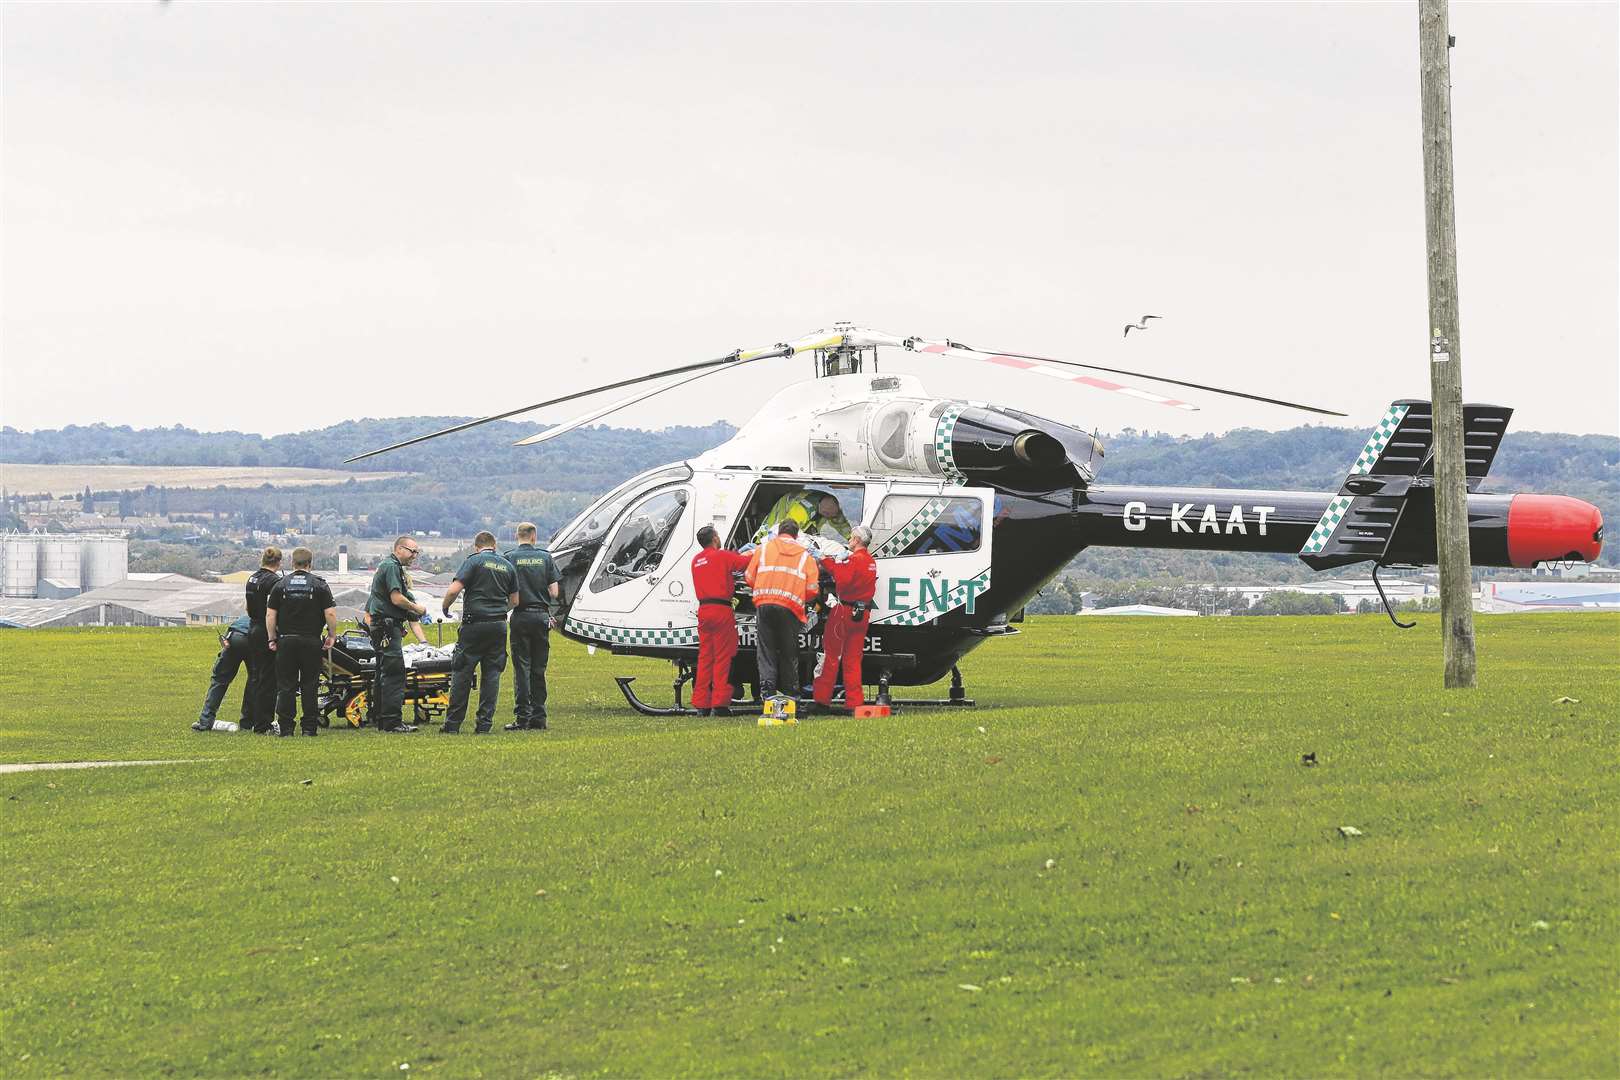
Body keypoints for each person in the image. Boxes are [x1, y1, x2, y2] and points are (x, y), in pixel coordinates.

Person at [439, 531, 518, 734]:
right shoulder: (507, 565)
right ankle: (484, 725)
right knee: (492, 675)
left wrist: (446, 608)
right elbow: (515, 601)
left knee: (462, 672)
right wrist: (499, 612)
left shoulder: (473, 561)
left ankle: (452, 724)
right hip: (498, 626)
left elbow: (454, 589)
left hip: (474, 625)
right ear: (495, 545)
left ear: (477, 546)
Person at [744, 518, 820, 712]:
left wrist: (764, 588)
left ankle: (768, 694)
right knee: (789, 653)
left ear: (779, 532)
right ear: (796, 535)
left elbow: (749, 577)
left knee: (766, 651)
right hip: (790, 607)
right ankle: (791, 697)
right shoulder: (805, 556)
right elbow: (812, 589)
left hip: (765, 604)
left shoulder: (763, 548)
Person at [266, 547, 337, 737]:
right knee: (310, 684)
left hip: (286, 641)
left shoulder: (280, 585)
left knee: (286, 685)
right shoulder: (320, 585)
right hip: (311, 641)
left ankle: (286, 727)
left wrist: (272, 638)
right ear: (310, 564)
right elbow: (330, 613)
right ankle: (309, 727)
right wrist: (331, 634)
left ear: (292, 563)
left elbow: (270, 615)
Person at [367, 535, 431, 733]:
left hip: (382, 625)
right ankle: (392, 722)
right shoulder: (392, 567)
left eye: (417, 552)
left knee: (382, 672)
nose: (415, 556)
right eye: (412, 551)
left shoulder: (389, 567)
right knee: (394, 674)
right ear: (399, 549)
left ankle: (378, 716)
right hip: (387, 627)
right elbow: (396, 598)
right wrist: (416, 609)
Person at [813, 525, 878, 711]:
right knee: (853, 659)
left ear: (857, 540)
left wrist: (824, 559)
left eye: (851, 538)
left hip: (844, 611)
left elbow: (842, 579)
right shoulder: (870, 561)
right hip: (863, 613)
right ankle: (854, 702)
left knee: (830, 657)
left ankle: (822, 699)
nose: (849, 540)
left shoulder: (854, 560)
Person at [503, 522, 560, 731]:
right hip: (541, 616)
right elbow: (554, 592)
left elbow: (505, 590)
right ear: (534, 536)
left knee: (522, 668)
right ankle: (539, 717)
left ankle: (522, 718)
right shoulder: (545, 558)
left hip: (520, 616)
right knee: (538, 668)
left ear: (516, 535)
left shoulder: (509, 557)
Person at [690, 525, 751, 717]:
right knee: (723, 657)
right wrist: (758, 551)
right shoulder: (722, 556)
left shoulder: (696, 560)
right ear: (715, 538)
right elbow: (744, 563)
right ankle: (720, 703)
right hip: (721, 610)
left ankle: (702, 704)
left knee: (705, 658)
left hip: (704, 610)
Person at [243, 547, 283, 734]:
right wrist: (273, 636)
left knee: (255, 676)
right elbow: (273, 611)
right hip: (266, 630)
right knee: (268, 680)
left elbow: (248, 607)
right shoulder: (275, 581)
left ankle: (249, 718)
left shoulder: (252, 579)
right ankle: (264, 724)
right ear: (279, 562)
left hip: (253, 628)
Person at [191, 614, 254, 732]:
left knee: (219, 680)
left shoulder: (246, 615)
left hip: (234, 637)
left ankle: (205, 722)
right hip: (254, 639)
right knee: (254, 681)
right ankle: (247, 723)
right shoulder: (272, 612)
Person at [752, 489, 851, 545]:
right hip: (772, 534)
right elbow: (788, 529)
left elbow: (840, 523)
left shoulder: (829, 504)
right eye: (829, 517)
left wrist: (851, 538)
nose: (830, 519)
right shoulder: (803, 509)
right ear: (825, 513)